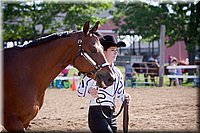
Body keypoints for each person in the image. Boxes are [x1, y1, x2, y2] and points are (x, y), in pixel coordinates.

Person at [77, 35, 131, 133]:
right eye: (112, 50)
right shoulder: (94, 71)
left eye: (117, 50)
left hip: (112, 114)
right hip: (96, 114)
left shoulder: (117, 72)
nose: (116, 53)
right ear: (103, 51)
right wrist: (90, 90)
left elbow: (120, 94)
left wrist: (126, 98)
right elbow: (80, 91)